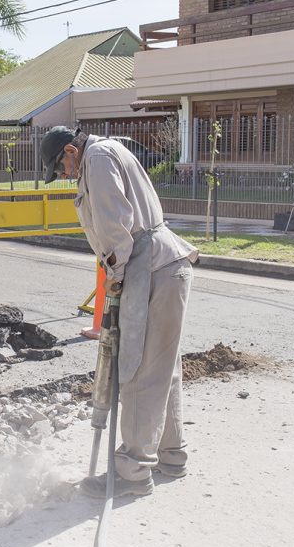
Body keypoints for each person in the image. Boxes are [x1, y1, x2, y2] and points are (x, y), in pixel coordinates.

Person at [39, 126, 198, 498]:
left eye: (61, 168)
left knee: (140, 370)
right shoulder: (104, 152)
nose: (64, 176)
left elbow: (115, 226)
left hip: (150, 267)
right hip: (164, 265)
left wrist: (114, 278)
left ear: (70, 150)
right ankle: (170, 454)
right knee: (163, 369)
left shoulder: (95, 158)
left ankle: (132, 471)